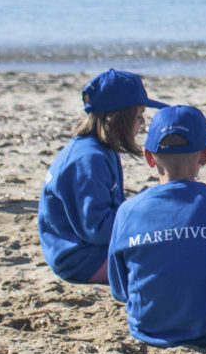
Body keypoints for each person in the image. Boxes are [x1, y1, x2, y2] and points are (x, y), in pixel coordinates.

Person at [107, 106, 206, 347]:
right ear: (205, 155)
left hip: (148, 328)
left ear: (149, 157)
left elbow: (120, 289)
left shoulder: (128, 211)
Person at [37, 69, 167, 285]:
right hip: (80, 258)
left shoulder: (102, 149)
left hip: (89, 248)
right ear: (118, 119)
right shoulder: (89, 158)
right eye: (138, 115)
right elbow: (96, 229)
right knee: (170, 259)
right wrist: (139, 209)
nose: (143, 122)